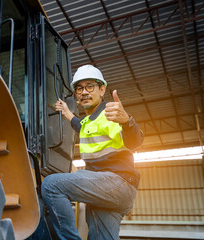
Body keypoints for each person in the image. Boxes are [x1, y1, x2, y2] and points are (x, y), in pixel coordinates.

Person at [41, 65, 143, 240]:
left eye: (90, 86)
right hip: (107, 190)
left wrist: (127, 122)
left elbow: (135, 141)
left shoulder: (109, 115)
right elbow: (79, 125)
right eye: (79, 88)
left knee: (52, 185)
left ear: (102, 89)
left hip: (116, 182)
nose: (84, 92)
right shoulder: (88, 122)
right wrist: (66, 112)